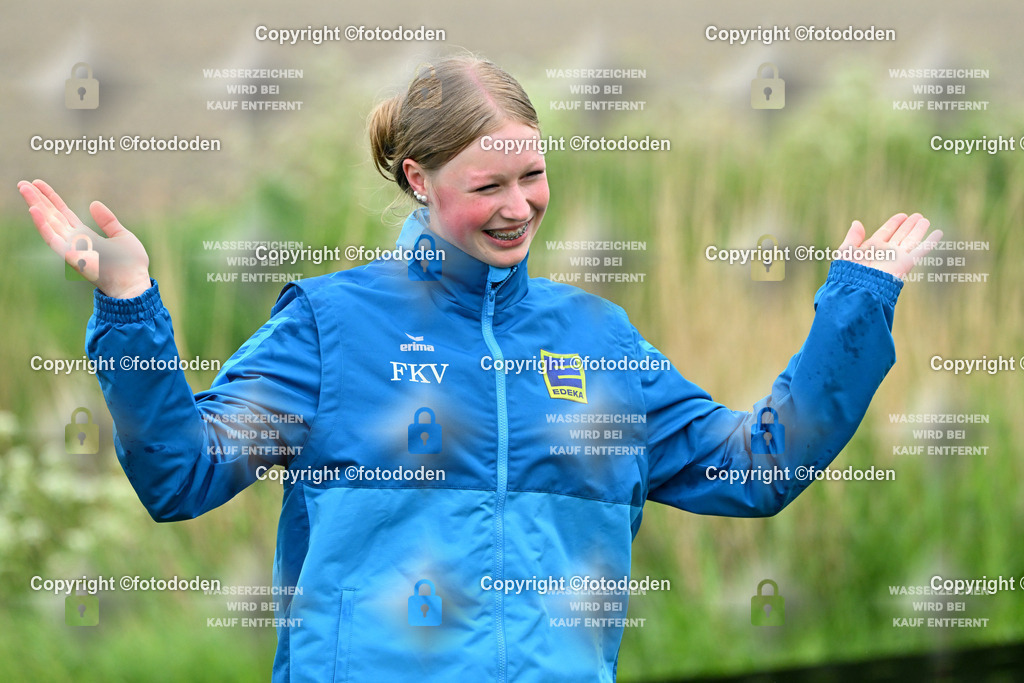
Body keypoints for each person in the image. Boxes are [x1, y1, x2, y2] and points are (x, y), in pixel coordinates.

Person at [18, 54, 939, 681]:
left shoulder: (598, 337)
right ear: (418, 180)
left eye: (531, 177)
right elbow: (179, 475)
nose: (517, 208)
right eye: (486, 187)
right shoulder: (330, 327)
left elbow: (757, 469)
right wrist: (131, 305)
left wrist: (855, 309)